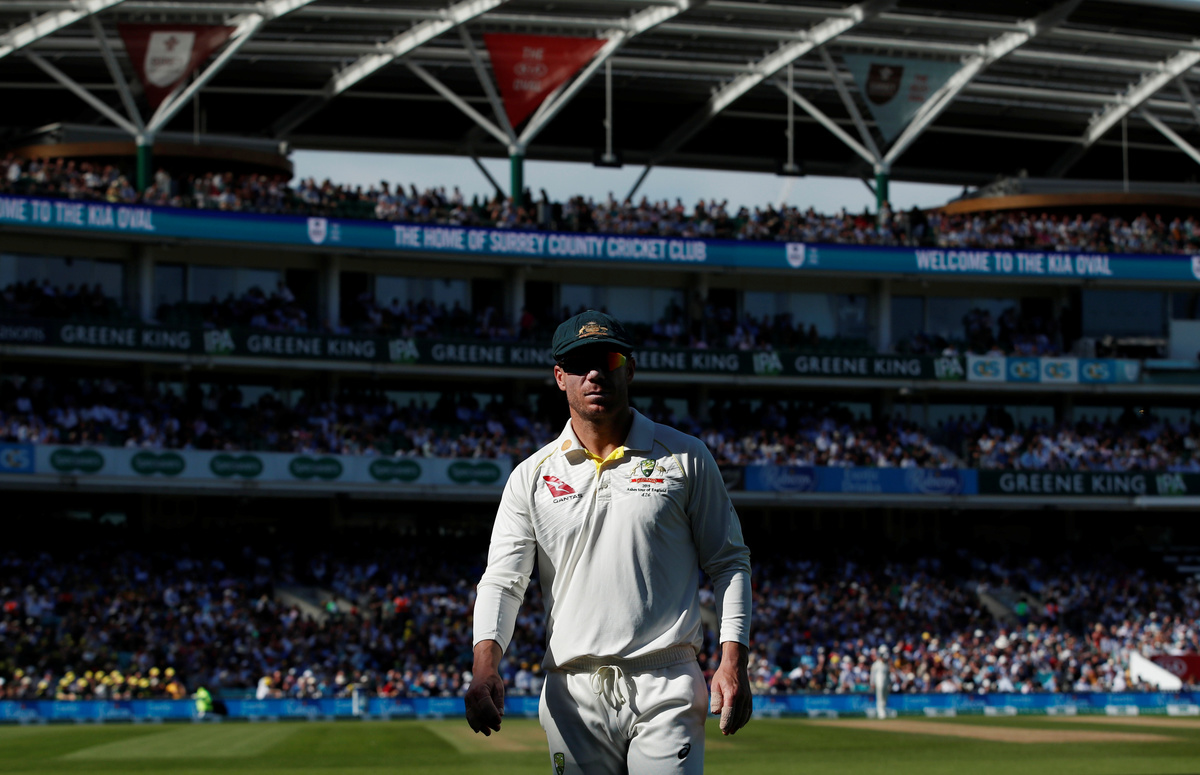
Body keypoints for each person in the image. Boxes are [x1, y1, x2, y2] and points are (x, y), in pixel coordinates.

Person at [466, 309, 753, 774]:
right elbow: (502, 582)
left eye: (609, 360)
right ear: (560, 377)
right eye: (579, 364)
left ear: (630, 369)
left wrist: (733, 660)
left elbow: (729, 562)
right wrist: (484, 666)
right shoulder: (531, 475)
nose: (595, 373)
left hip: (667, 681)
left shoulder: (685, 456)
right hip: (571, 691)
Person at [870, 647, 891, 719]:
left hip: (885, 683)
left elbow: (888, 675)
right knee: (880, 697)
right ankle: (880, 712)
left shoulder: (886, 665)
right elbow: (872, 675)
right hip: (878, 683)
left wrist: (889, 683)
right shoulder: (876, 664)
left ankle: (884, 710)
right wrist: (872, 683)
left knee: (885, 697)